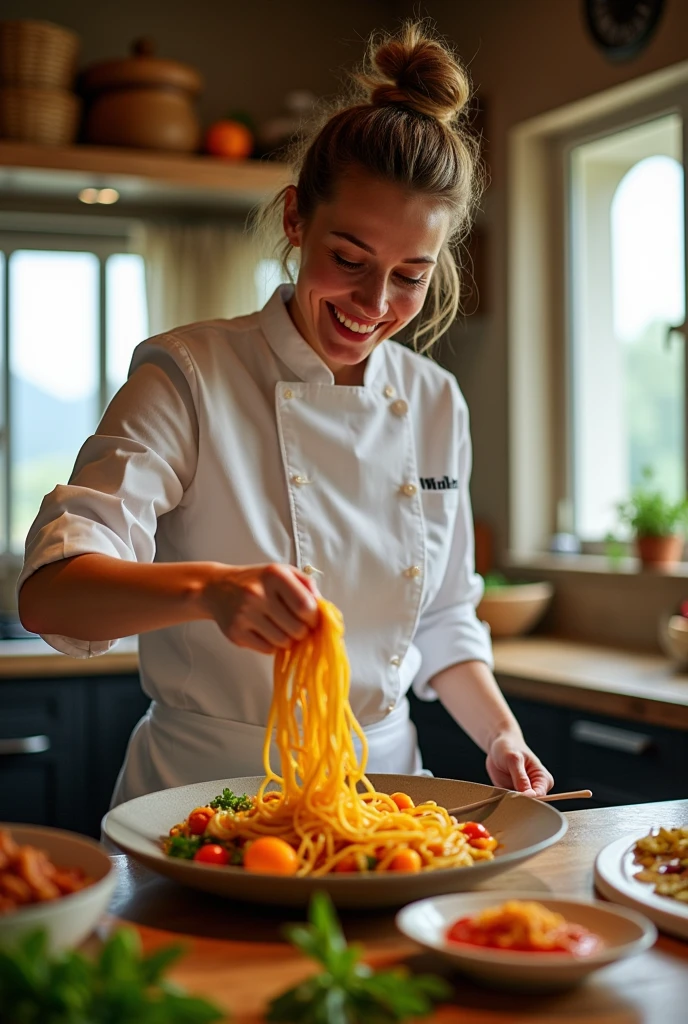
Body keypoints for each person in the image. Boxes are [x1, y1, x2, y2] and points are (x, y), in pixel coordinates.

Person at [18, 22, 553, 806]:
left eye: (410, 275)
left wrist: (501, 734)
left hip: (385, 795)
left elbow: (442, 617)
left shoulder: (436, 400)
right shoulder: (189, 372)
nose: (374, 305)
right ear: (296, 220)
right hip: (201, 800)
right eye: (349, 259)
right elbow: (51, 593)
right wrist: (207, 591)